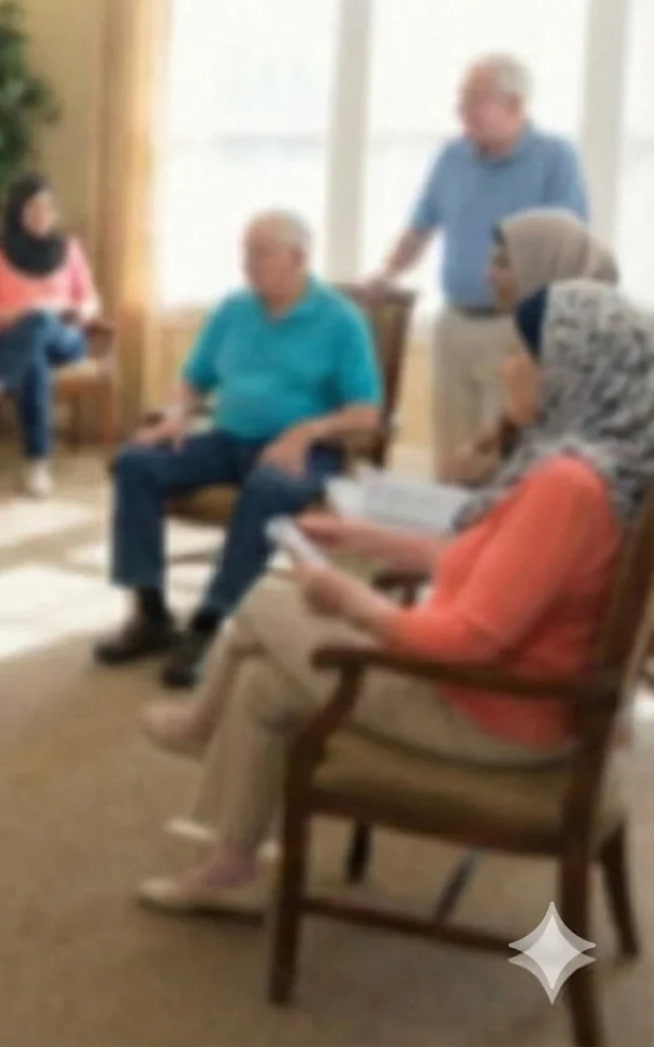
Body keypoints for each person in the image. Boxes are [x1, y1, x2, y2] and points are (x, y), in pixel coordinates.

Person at [134, 281, 654, 915]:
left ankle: (199, 732)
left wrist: (350, 599)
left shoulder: (566, 486)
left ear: (571, 372)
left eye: (522, 355)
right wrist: (362, 537)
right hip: (510, 701)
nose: (504, 367)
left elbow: (468, 640)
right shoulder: (595, 467)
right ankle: (232, 865)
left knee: (265, 603)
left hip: (492, 715)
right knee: (265, 684)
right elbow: (484, 565)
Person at [96, 211, 385, 692]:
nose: (246, 264)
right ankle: (150, 614)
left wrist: (310, 430)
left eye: (259, 253)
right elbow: (194, 379)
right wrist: (177, 414)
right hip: (227, 437)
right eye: (245, 252)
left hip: (301, 452)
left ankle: (208, 623)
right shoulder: (233, 309)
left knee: (268, 486)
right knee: (136, 463)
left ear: (298, 258)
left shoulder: (339, 319)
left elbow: (367, 412)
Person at [373, 54, 589, 473]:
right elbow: (420, 226)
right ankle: (453, 536)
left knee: (502, 455)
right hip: (455, 320)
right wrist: (387, 274)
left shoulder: (556, 158)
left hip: (515, 326)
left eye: (475, 99)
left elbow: (567, 245)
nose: (462, 110)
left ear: (515, 106)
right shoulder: (452, 157)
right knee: (453, 455)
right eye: (462, 99)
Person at [441, 208, 622, 485]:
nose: (488, 275)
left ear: (543, 264)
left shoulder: (589, 351)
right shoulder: (550, 333)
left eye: (502, 264)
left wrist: (479, 472)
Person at [0, 173, 101, 498]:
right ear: (18, 211)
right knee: (34, 359)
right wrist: (10, 314)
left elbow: (90, 300)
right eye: (33, 207)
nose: (41, 215)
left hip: (63, 339)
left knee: (41, 319)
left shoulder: (69, 249)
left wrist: (78, 311)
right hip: (7, 338)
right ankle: (37, 465)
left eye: (47, 207)